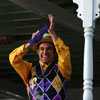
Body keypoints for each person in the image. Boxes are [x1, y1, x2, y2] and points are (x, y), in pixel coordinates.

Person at [9, 14, 72, 100]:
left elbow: (65, 54)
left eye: (48, 49)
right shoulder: (28, 70)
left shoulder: (62, 69)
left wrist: (52, 33)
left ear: (54, 52)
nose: (45, 52)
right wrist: (31, 43)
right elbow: (13, 59)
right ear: (38, 51)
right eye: (42, 49)